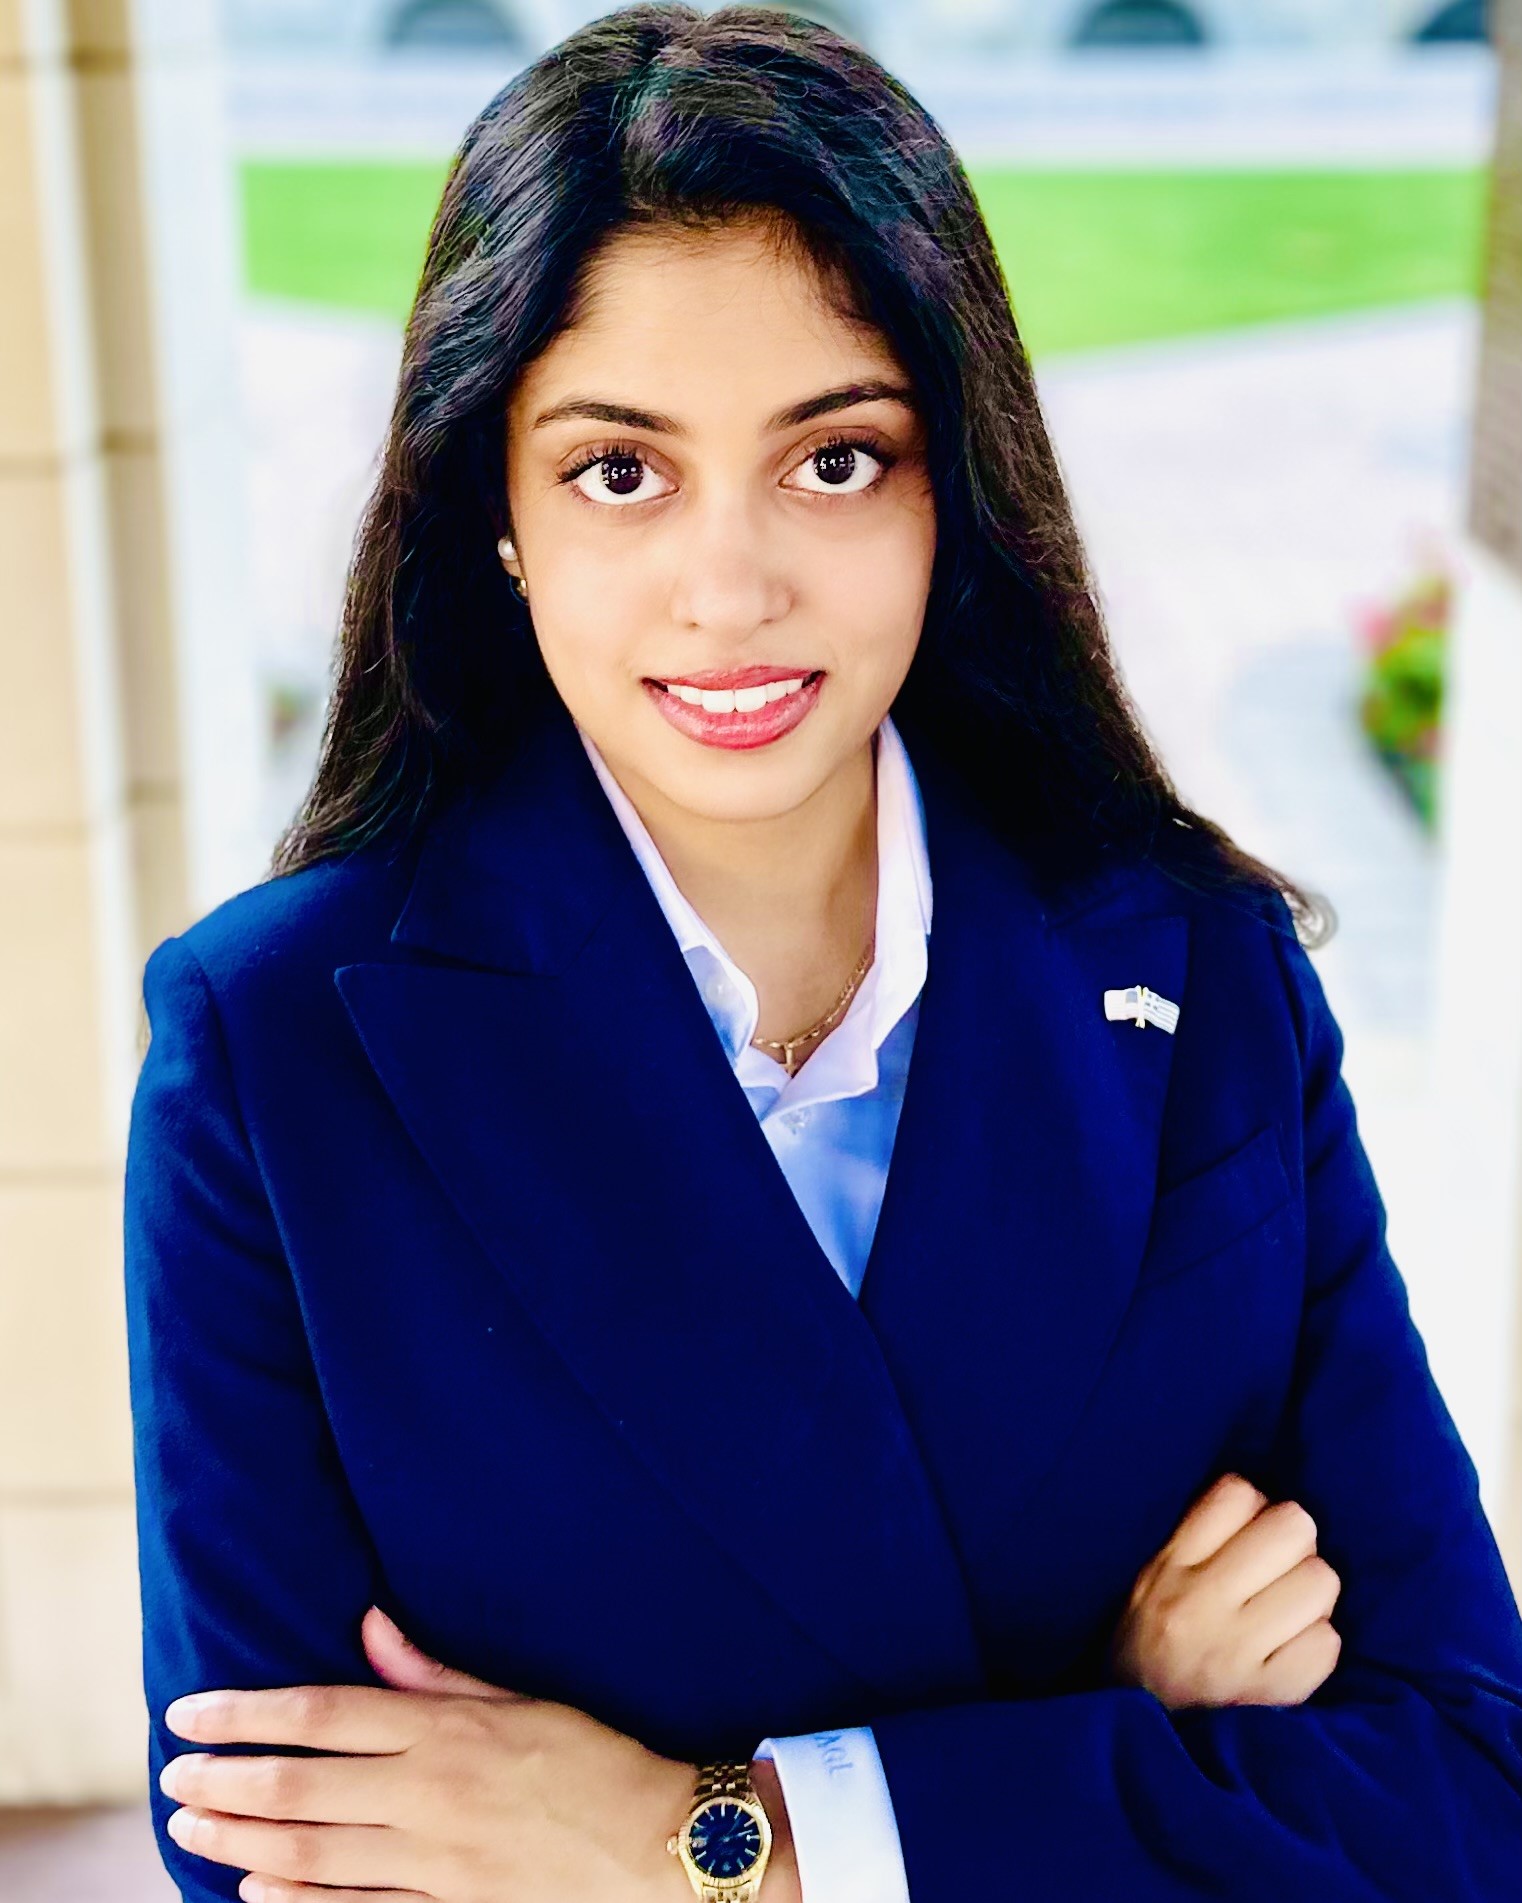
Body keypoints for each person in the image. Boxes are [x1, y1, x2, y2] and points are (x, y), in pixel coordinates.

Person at [123, 6, 1522, 1901]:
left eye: (836, 461)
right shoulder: (276, 1053)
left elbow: (1461, 1785)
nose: (731, 586)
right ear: (500, 517)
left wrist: (696, 1841)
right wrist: (1115, 1726)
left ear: (953, 482)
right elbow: (283, 1854)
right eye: (620, 471)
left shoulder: (1203, 978)